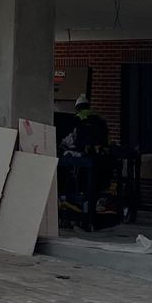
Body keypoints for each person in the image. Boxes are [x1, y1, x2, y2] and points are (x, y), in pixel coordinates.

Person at [57, 96, 111, 231]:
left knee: (75, 182)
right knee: (94, 185)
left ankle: (75, 209)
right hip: (100, 157)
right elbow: (107, 140)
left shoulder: (77, 119)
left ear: (77, 108)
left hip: (81, 158)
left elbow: (69, 140)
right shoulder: (100, 120)